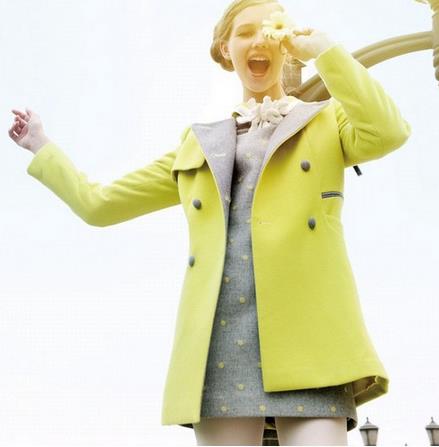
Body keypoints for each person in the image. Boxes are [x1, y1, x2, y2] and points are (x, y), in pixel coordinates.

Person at [9, 0, 411, 445]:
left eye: (270, 31)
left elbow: (389, 130)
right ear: (225, 48)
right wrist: (41, 146)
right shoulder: (198, 144)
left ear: (287, 45)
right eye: (245, 32)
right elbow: (99, 205)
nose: (259, 40)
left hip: (311, 336)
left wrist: (324, 50)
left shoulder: (323, 121)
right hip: (221, 341)